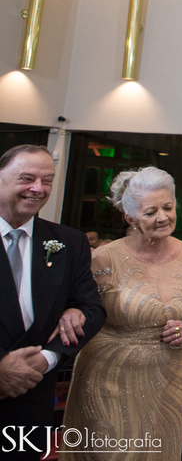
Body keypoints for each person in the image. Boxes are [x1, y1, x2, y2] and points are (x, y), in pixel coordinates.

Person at [64, 166, 182, 460]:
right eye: (150, 211)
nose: (163, 217)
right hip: (108, 380)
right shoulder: (103, 258)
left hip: (170, 380)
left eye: (168, 207)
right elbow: (78, 307)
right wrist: (70, 310)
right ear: (130, 218)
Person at [1, 145, 105, 461]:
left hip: (31, 401)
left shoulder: (67, 243)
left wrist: (46, 359)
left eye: (47, 180)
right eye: (27, 178)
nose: (38, 189)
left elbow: (92, 309)